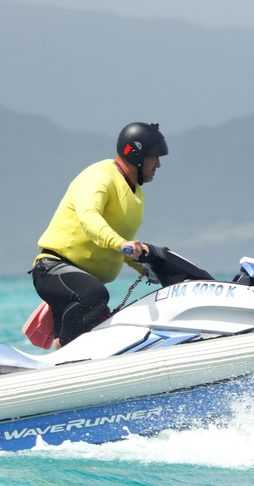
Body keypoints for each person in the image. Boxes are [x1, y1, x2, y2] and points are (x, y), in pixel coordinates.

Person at [29, 122, 168, 348]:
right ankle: (66, 357)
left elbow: (118, 246)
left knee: (99, 321)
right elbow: (89, 218)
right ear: (137, 155)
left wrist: (146, 269)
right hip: (54, 270)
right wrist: (122, 243)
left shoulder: (134, 192)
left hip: (83, 284)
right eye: (154, 157)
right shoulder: (100, 176)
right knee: (95, 296)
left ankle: (66, 353)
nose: (159, 164)